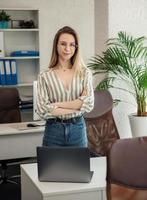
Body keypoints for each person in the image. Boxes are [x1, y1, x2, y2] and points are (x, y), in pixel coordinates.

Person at [36, 26, 94, 147]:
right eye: (63, 44)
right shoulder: (44, 76)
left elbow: (89, 105)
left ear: (76, 47)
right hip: (53, 130)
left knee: (79, 166)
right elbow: (42, 110)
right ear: (56, 46)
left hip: (77, 129)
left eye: (72, 44)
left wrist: (56, 105)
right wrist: (77, 105)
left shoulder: (84, 73)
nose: (67, 49)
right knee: (51, 166)